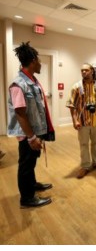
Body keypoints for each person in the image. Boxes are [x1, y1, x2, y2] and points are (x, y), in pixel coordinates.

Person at [7, 42, 55, 208]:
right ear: (33, 61)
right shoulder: (19, 84)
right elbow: (20, 113)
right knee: (26, 164)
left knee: (32, 161)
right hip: (28, 134)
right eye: (39, 61)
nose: (40, 64)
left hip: (34, 130)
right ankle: (27, 198)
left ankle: (32, 184)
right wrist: (32, 137)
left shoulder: (32, 80)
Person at [66, 63, 96, 179]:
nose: (83, 72)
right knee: (84, 144)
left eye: (86, 70)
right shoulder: (77, 87)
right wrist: (74, 120)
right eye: (82, 70)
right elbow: (72, 105)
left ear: (92, 71)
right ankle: (85, 166)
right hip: (83, 122)